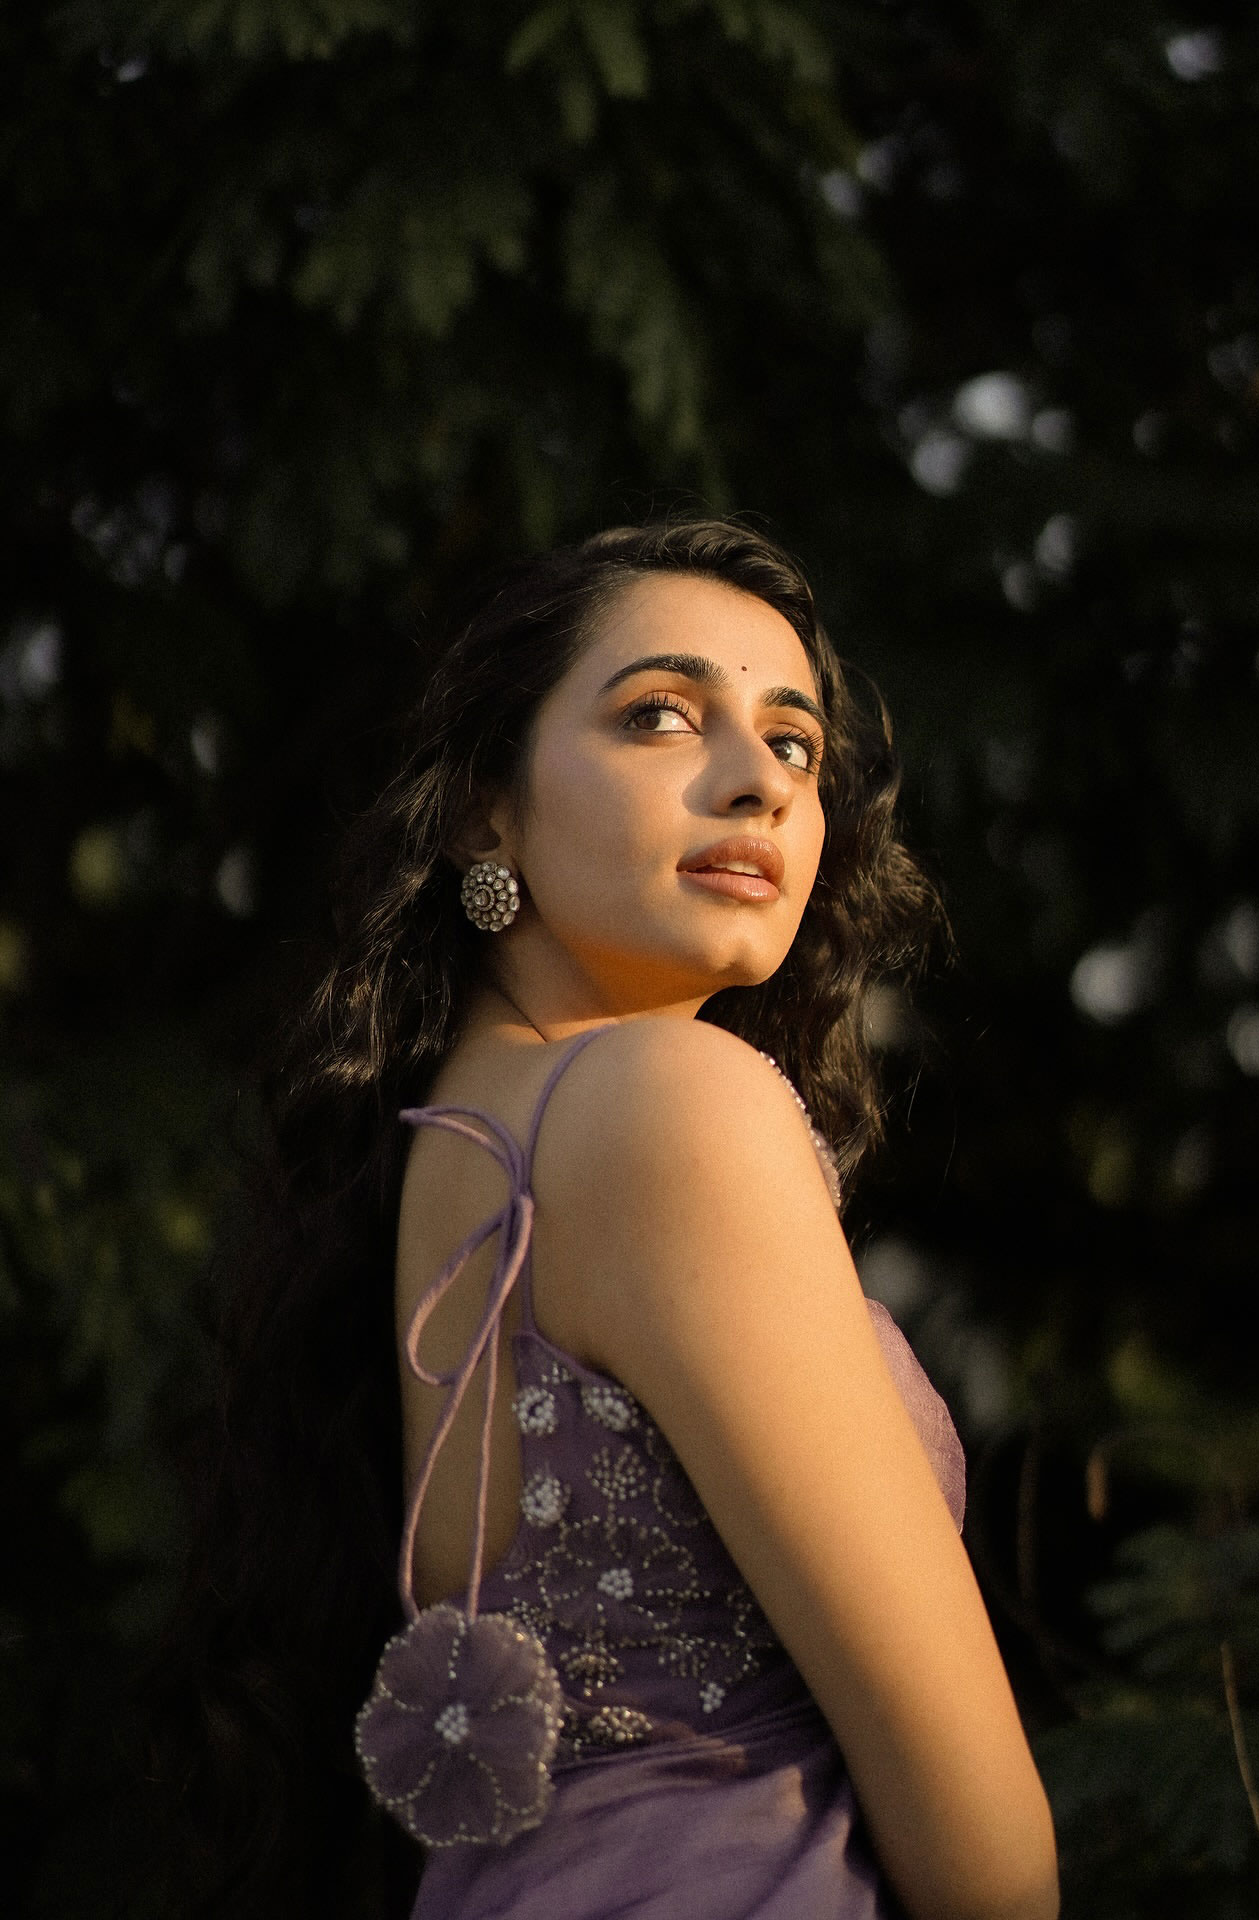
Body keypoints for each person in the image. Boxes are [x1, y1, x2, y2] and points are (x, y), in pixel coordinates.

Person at [165, 519, 1058, 1920]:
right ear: (485, 813)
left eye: (796, 744)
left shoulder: (441, 1152)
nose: (759, 782)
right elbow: (982, 1842)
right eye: (661, 714)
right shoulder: (670, 1101)